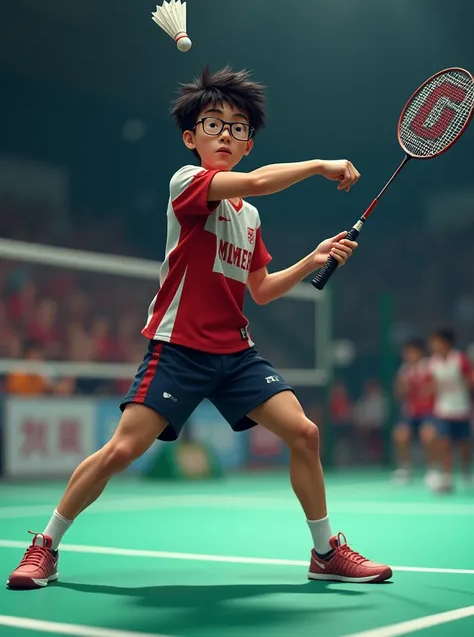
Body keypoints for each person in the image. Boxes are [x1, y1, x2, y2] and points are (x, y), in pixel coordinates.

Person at [7, 66, 392, 589]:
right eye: (215, 124)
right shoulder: (187, 184)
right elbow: (256, 181)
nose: (227, 134)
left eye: (238, 127)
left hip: (235, 354)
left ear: (249, 142)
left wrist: (312, 259)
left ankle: (325, 552)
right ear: (192, 138)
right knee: (121, 451)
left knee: (304, 432)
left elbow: (260, 289)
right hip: (178, 348)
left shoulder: (249, 218)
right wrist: (320, 165)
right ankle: (45, 545)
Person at [428, 328, 474, 493]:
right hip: (443, 410)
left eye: (436, 341)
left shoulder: (459, 359)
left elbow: (470, 378)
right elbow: (432, 384)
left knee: (464, 446)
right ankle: (447, 477)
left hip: (461, 408)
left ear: (446, 342)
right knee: (445, 443)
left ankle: (466, 472)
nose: (433, 345)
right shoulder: (433, 362)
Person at [392, 339, 437, 486]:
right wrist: (402, 384)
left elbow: (436, 388)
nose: (407, 355)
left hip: (429, 412)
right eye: (406, 353)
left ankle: (433, 470)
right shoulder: (404, 370)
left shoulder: (430, 367)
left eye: (411, 352)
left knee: (428, 435)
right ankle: (405, 469)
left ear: (419, 352)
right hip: (411, 414)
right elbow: (399, 394)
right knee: (400, 434)